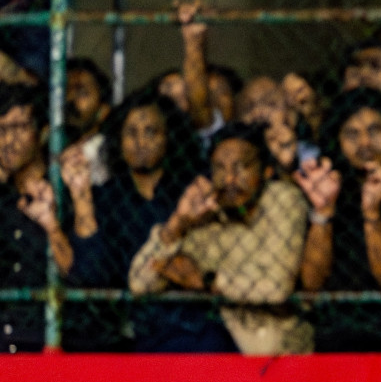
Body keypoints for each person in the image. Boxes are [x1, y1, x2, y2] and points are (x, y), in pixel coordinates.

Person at [128, 124, 311, 355]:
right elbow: (139, 283)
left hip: (278, 355)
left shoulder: (283, 199)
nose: (230, 179)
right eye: (220, 169)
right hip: (222, 350)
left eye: (241, 167)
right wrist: (176, 224)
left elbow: (276, 287)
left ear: (266, 171)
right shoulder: (207, 215)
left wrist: (205, 281)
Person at [65, 89, 221, 351]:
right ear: (118, 139)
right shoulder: (107, 198)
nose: (140, 142)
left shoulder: (190, 190)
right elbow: (93, 275)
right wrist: (82, 199)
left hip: (190, 324)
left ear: (169, 137)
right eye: (130, 133)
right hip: (129, 327)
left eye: (151, 132)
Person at [298, 89, 381, 350]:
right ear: (336, 140)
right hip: (338, 334)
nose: (365, 143)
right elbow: (312, 284)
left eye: (375, 131)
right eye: (352, 134)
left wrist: (372, 213)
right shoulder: (324, 185)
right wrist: (324, 211)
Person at [0, 82, 73, 353]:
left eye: (19, 128)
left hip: (45, 343)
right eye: (1, 129)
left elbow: (82, 274)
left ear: (43, 133)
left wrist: (53, 228)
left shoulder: (67, 194)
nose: (8, 140)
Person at [65, 57, 112, 184]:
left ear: (103, 110)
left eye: (82, 93)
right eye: (66, 91)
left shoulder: (108, 155)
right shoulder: (49, 147)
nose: (70, 98)